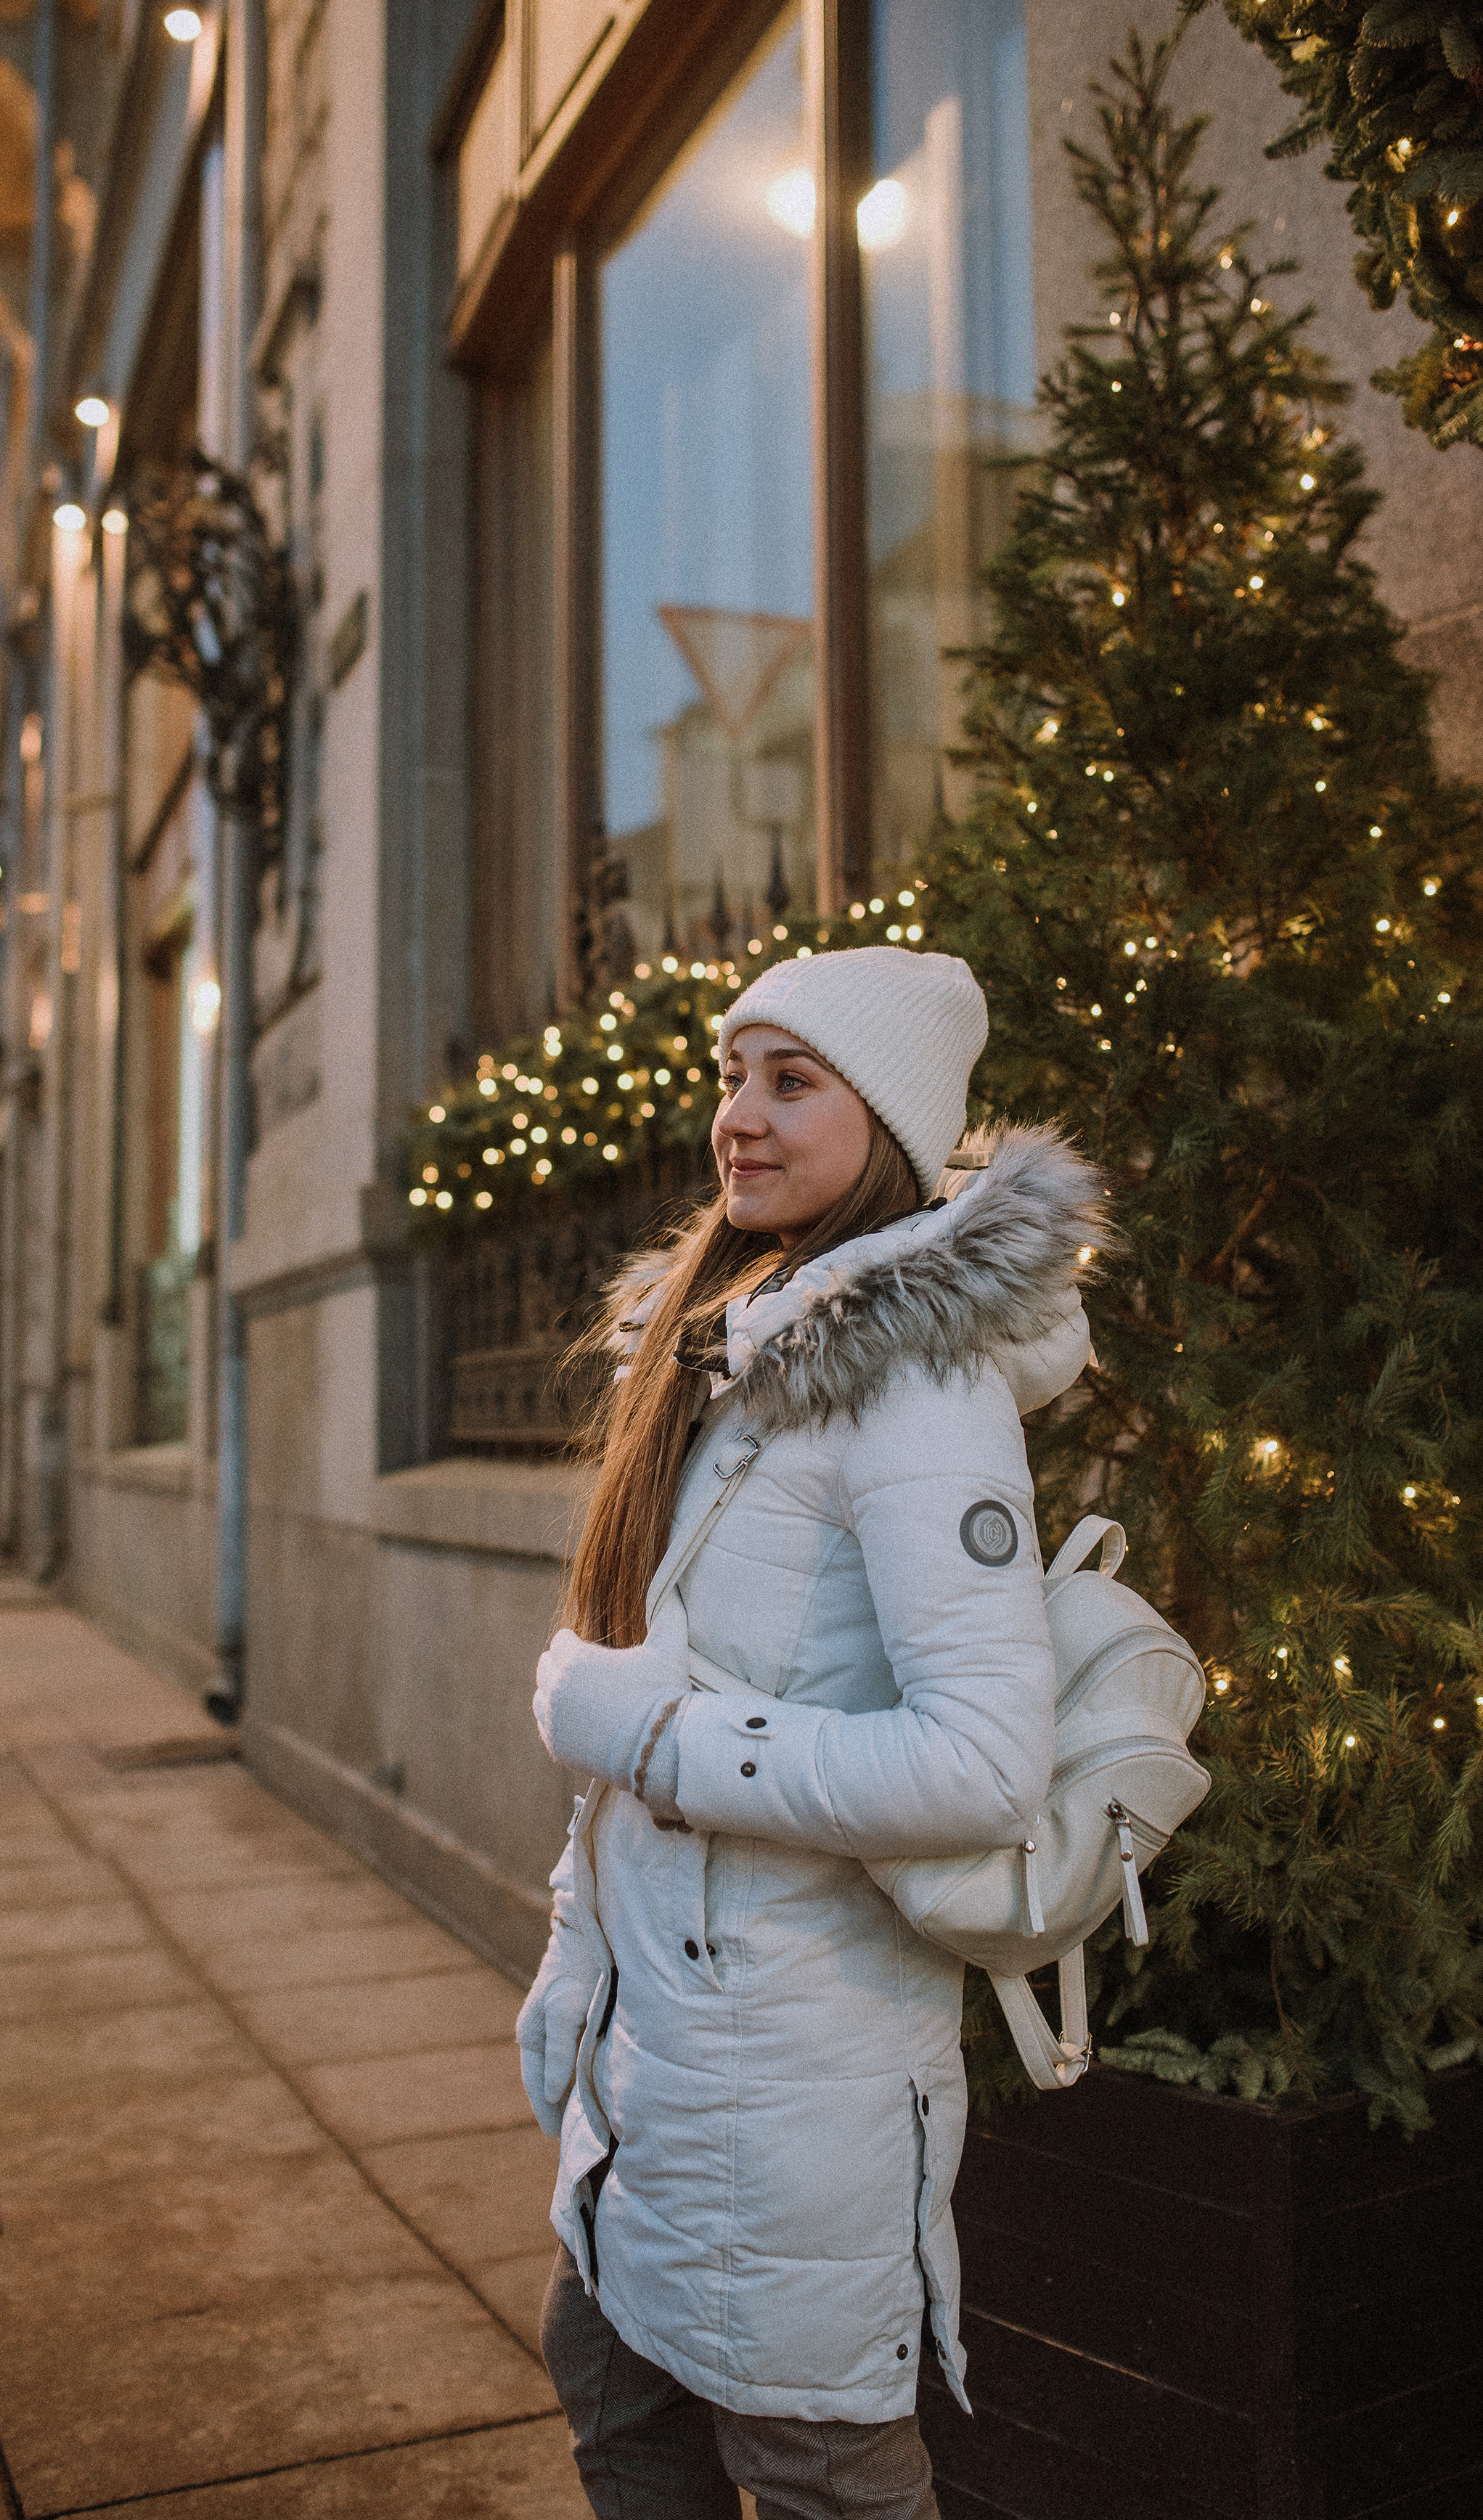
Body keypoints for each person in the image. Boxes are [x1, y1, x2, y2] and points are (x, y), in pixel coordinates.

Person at [520, 944, 1104, 2520]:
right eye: (732, 1076)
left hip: (796, 2091)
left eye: (793, 1082)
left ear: (891, 1121)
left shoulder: (914, 1385)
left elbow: (986, 1763)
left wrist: (653, 1738)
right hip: (662, 2074)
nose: (741, 1118)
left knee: (827, 2474)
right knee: (613, 2401)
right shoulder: (731, 1349)